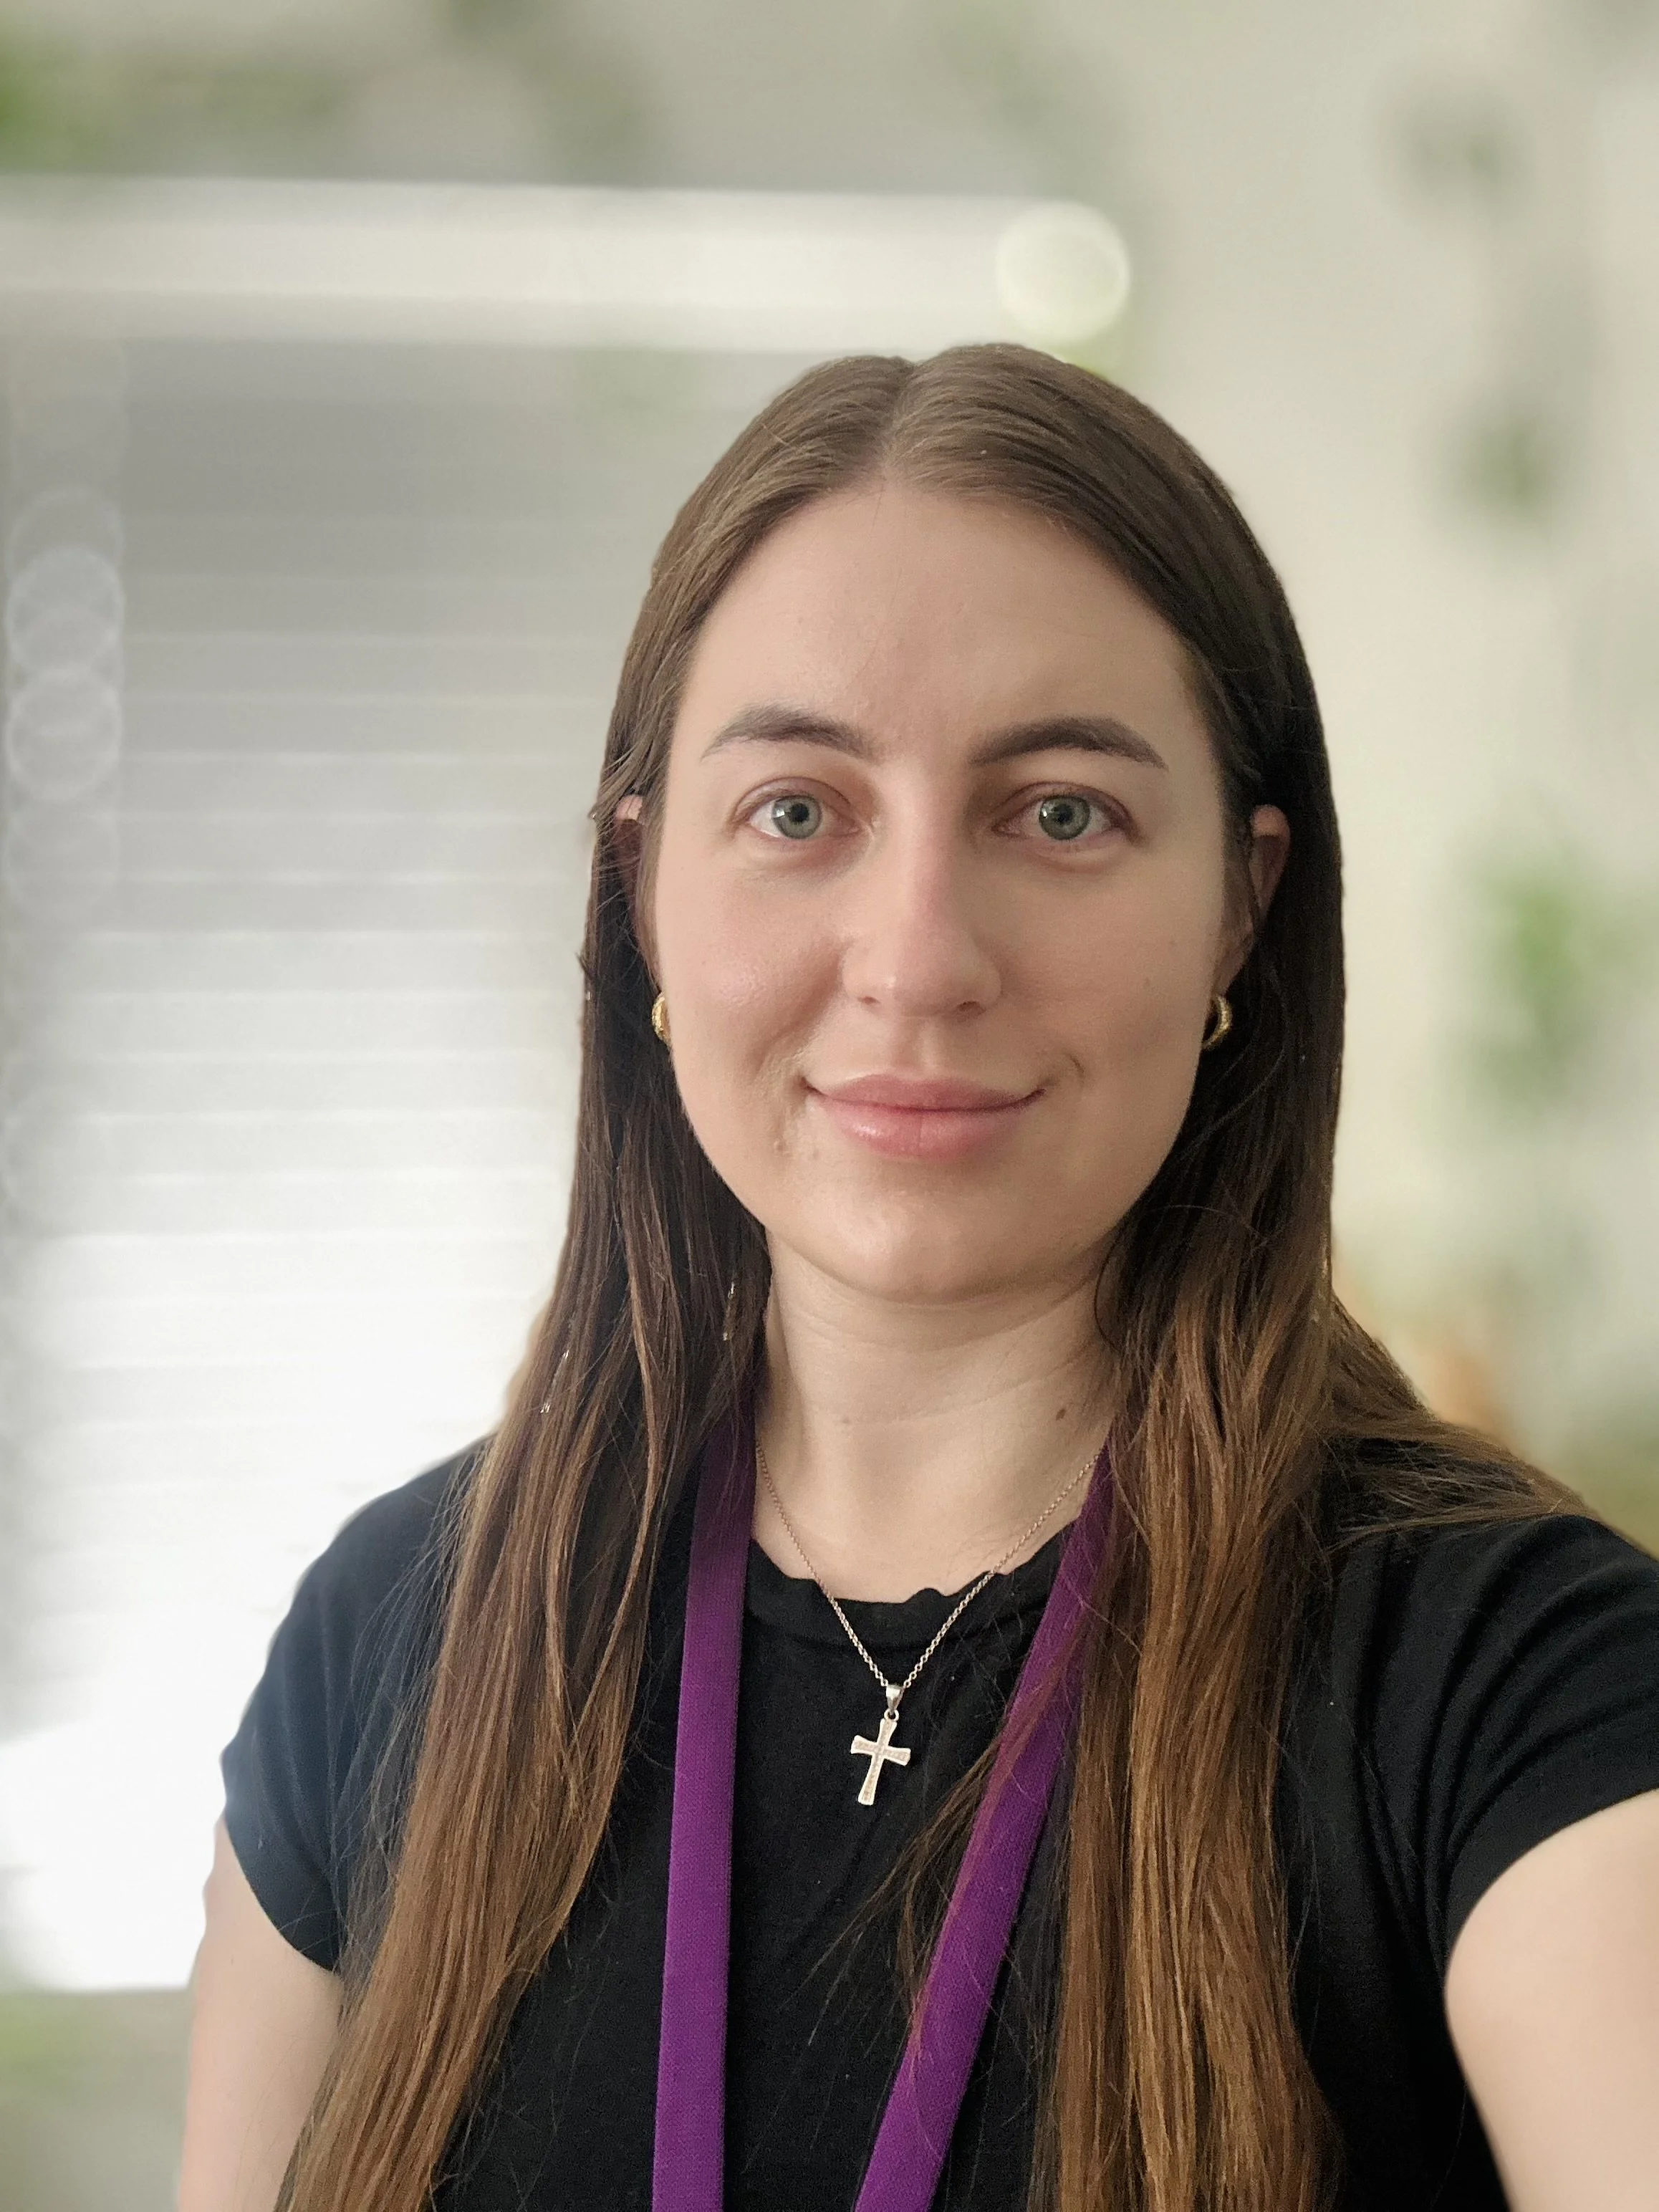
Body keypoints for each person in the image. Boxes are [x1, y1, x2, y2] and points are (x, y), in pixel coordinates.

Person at [177, 345, 1659, 2212]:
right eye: (797, 810)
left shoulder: (1518, 1690)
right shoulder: (391, 1640)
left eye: (1058, 814)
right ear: (641, 892)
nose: (915, 960)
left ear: (1242, 909)